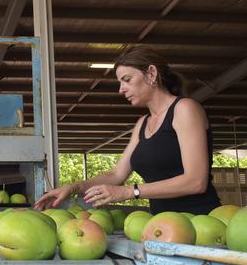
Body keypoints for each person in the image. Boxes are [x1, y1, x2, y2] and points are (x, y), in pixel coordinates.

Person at [34, 46, 220, 215]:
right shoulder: (142, 124)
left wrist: (129, 192)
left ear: (151, 73)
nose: (121, 90)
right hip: (164, 224)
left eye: (127, 80)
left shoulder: (185, 109)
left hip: (201, 222)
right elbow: (116, 175)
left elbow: (196, 181)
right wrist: (74, 187)